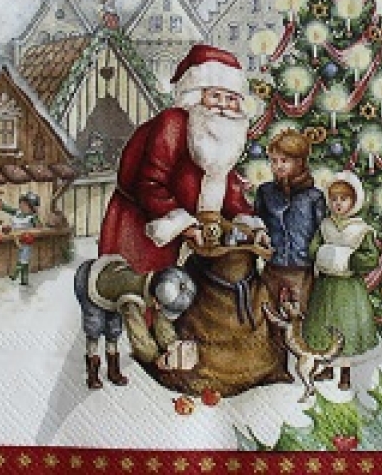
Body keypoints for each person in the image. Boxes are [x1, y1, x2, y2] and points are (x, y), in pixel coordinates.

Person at [98, 43, 267, 274]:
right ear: (197, 96)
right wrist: (183, 225)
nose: (223, 106)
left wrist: (250, 226)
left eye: (231, 99)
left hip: (197, 237)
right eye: (215, 96)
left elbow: (229, 191)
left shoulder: (226, 133)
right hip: (147, 228)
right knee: (155, 288)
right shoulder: (173, 124)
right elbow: (149, 183)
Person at [302, 171, 379, 390]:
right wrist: (322, 253)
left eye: (343, 199)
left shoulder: (361, 230)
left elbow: (370, 257)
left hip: (348, 289)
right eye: (334, 199)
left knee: (345, 327)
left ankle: (345, 373)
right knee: (325, 325)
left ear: (354, 201)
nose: (338, 203)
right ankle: (327, 367)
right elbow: (313, 248)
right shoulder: (325, 225)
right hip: (326, 287)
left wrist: (350, 259)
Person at [74, 254, 197, 390]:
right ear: (156, 302)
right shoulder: (132, 300)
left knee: (113, 330)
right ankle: (92, 374)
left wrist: (172, 344)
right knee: (94, 328)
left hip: (114, 286)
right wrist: (155, 357)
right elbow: (138, 335)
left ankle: (112, 371)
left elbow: (162, 320)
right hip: (89, 282)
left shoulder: (157, 285)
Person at [255, 129, 327, 313]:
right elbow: (258, 222)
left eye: (284, 161)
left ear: (299, 162)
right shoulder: (265, 192)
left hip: (302, 270)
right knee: (267, 312)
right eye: (274, 161)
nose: (278, 166)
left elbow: (321, 233)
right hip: (272, 267)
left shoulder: (314, 197)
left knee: (300, 314)